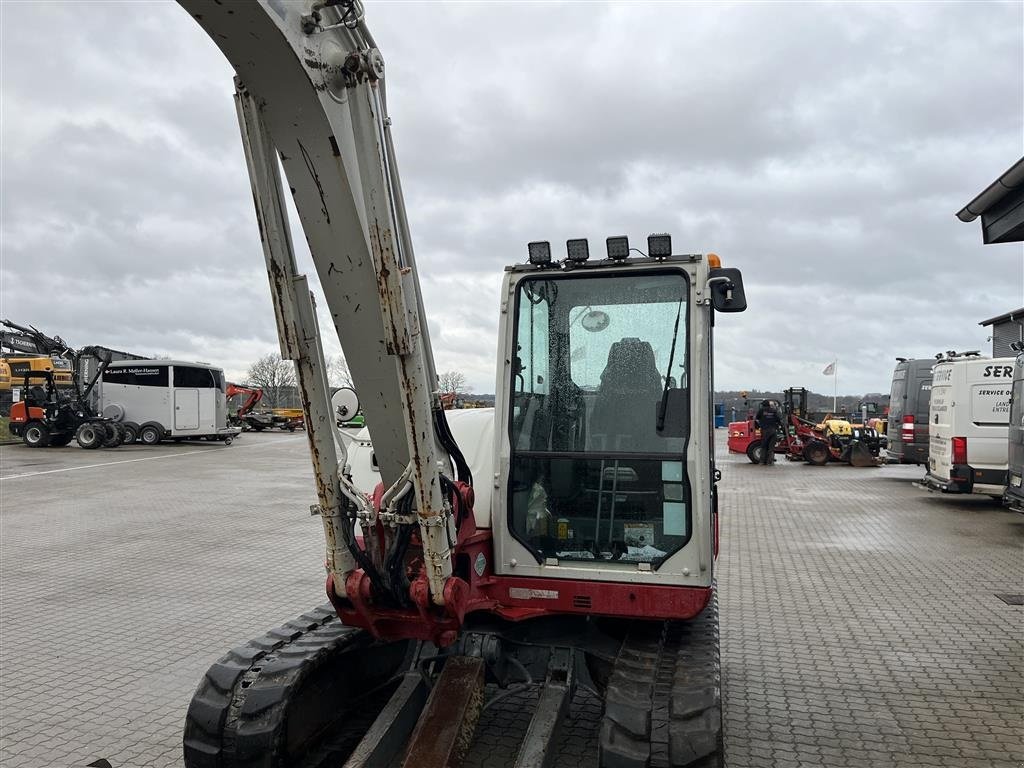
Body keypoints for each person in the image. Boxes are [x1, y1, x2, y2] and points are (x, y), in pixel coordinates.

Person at [754, 398, 782, 465]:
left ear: (763, 405)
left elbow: (757, 418)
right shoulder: (774, 410)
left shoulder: (761, 410)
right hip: (773, 431)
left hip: (765, 431)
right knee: (771, 448)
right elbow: (778, 420)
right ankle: (770, 462)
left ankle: (761, 461)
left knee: (764, 447)